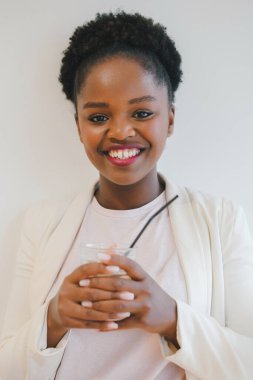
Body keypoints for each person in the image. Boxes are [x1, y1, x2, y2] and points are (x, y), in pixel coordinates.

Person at [0, 11, 253, 380]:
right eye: (99, 118)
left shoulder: (219, 219)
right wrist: (52, 321)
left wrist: (171, 319)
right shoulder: (41, 223)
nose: (120, 131)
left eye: (142, 112)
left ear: (169, 119)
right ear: (78, 126)